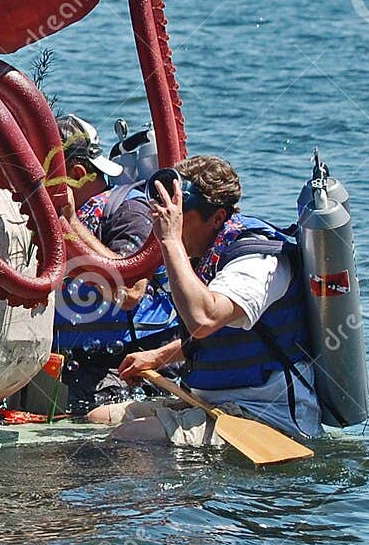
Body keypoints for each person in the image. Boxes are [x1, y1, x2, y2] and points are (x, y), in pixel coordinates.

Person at [91, 154, 322, 447]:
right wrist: (159, 356)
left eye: (180, 217)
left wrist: (170, 241)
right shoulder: (204, 256)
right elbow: (221, 336)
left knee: (129, 438)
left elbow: (204, 321)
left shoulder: (257, 261)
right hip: (208, 403)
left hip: (266, 416)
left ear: (217, 218)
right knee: (99, 418)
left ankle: (161, 493)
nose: (168, 223)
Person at [51, 114, 178, 415]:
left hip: (131, 368)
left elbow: (132, 290)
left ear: (77, 173)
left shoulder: (129, 210)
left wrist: (68, 224)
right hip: (74, 364)